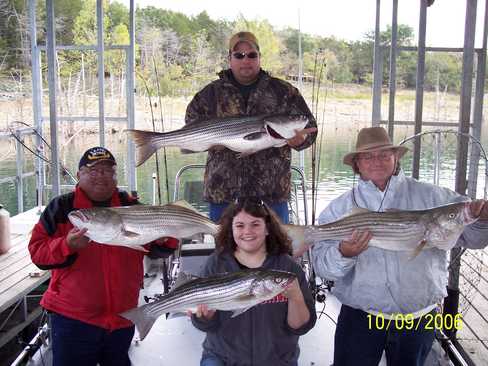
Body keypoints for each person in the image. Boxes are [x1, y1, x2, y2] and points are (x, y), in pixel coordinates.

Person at [311, 127, 488, 366]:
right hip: (361, 315)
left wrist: (483, 220)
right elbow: (324, 269)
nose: (377, 161)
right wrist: (343, 253)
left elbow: (475, 240)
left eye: (385, 154)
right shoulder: (338, 208)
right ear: (357, 164)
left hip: (418, 317)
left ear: (396, 158)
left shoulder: (436, 197)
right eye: (368, 156)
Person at [28, 146, 178, 366]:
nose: (101, 176)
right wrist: (67, 245)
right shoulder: (61, 208)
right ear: (79, 175)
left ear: (116, 176)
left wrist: (167, 238)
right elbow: (37, 253)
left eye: (108, 171)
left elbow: (158, 250)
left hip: (122, 316)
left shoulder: (132, 206)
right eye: (93, 170)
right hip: (73, 318)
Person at [185, 31, 318, 223]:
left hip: (272, 193)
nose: (245, 60)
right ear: (229, 58)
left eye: (251, 54)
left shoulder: (284, 91)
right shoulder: (210, 93)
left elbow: (310, 126)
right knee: (225, 250)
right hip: (223, 193)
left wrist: (301, 140)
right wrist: (209, 140)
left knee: (276, 248)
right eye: (239, 55)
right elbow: (192, 121)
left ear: (259, 57)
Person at [191, 197, 317, 366]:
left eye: (255, 224)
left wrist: (296, 298)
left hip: (277, 360)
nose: (247, 231)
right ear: (231, 229)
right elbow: (204, 325)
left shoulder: (288, 267)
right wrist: (204, 318)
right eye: (240, 225)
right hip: (222, 358)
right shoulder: (215, 263)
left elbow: (300, 327)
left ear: (267, 228)